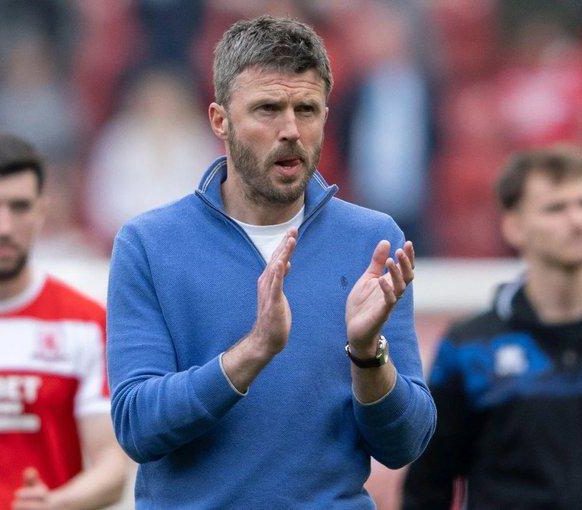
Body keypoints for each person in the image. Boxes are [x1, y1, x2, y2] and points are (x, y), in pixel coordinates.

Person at [107, 15, 436, 509]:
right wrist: (255, 350)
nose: (291, 131)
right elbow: (137, 427)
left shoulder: (373, 241)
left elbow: (405, 444)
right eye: (268, 109)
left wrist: (368, 355)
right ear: (219, 120)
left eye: (307, 109)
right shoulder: (149, 244)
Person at [0, 133, 129, 509]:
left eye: (19, 207)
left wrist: (56, 504)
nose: (4, 226)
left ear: (41, 211)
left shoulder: (86, 324)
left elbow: (112, 466)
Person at [403, 147, 582, 509]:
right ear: (513, 226)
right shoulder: (471, 349)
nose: (577, 221)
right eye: (556, 208)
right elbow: (428, 486)